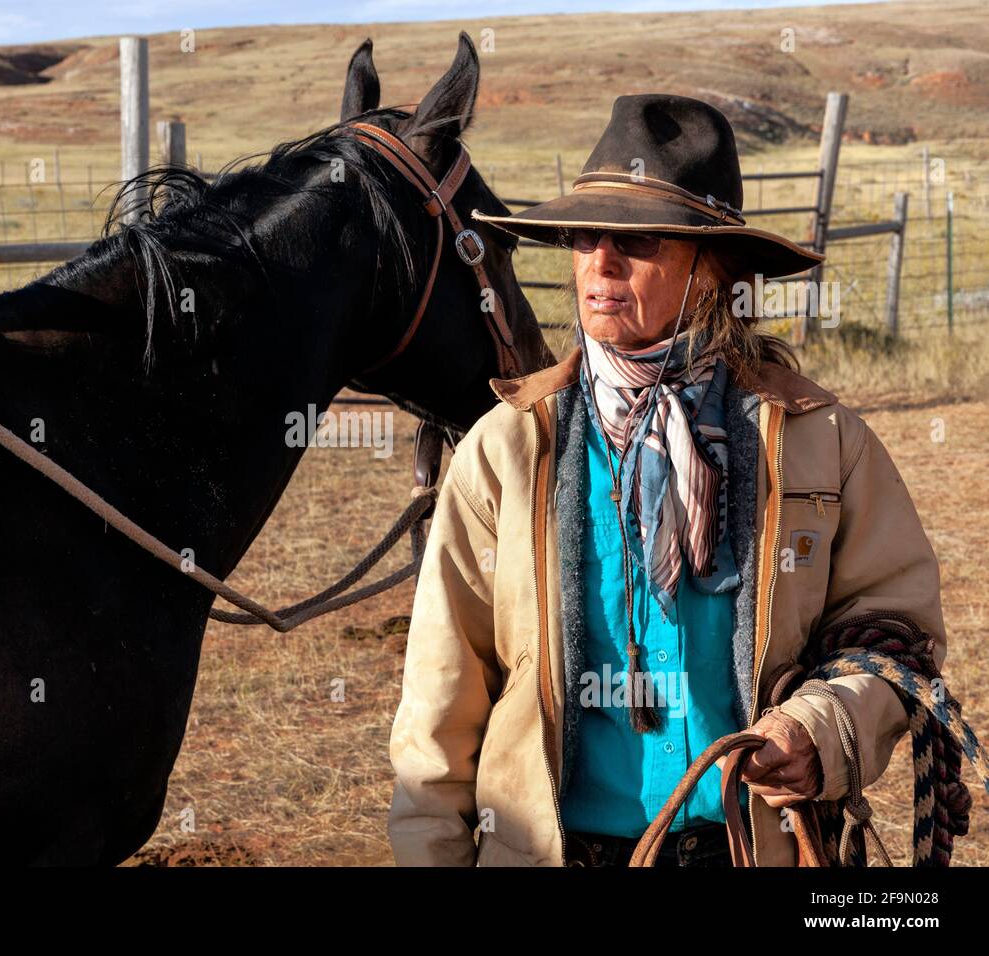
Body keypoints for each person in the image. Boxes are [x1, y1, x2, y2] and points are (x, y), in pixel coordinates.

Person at [387, 94, 945, 866]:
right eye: (585, 237)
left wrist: (822, 729)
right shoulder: (510, 446)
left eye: (638, 239)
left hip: (750, 848)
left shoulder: (820, 441)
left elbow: (895, 627)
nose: (600, 263)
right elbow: (440, 701)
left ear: (714, 268)